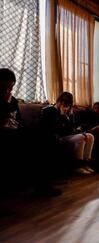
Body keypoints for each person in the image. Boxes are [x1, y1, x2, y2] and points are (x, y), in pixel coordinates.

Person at [0, 68, 61, 197]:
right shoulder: (5, 101)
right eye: (3, 87)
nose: (7, 91)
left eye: (10, 88)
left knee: (44, 136)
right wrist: (4, 104)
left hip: (16, 133)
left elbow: (19, 122)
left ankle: (43, 185)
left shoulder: (14, 101)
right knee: (34, 141)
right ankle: (41, 186)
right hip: (4, 136)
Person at [41, 92, 95, 175]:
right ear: (58, 100)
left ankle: (85, 164)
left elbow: (71, 130)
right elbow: (52, 129)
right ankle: (77, 167)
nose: (63, 104)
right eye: (62, 101)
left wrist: (66, 117)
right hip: (57, 138)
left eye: (67, 103)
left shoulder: (69, 112)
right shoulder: (49, 111)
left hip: (68, 136)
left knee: (90, 136)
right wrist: (62, 116)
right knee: (81, 137)